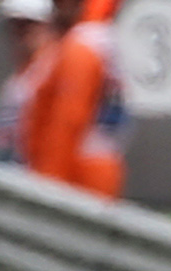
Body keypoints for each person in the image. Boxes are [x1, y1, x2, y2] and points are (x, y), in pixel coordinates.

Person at [18, 0, 122, 199]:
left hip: (76, 179)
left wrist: (46, 189)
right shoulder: (97, 37)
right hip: (96, 172)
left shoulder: (81, 47)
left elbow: (68, 123)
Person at [0, 0, 53, 167]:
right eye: (15, 25)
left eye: (28, 25)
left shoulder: (48, 72)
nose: (21, 33)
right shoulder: (19, 78)